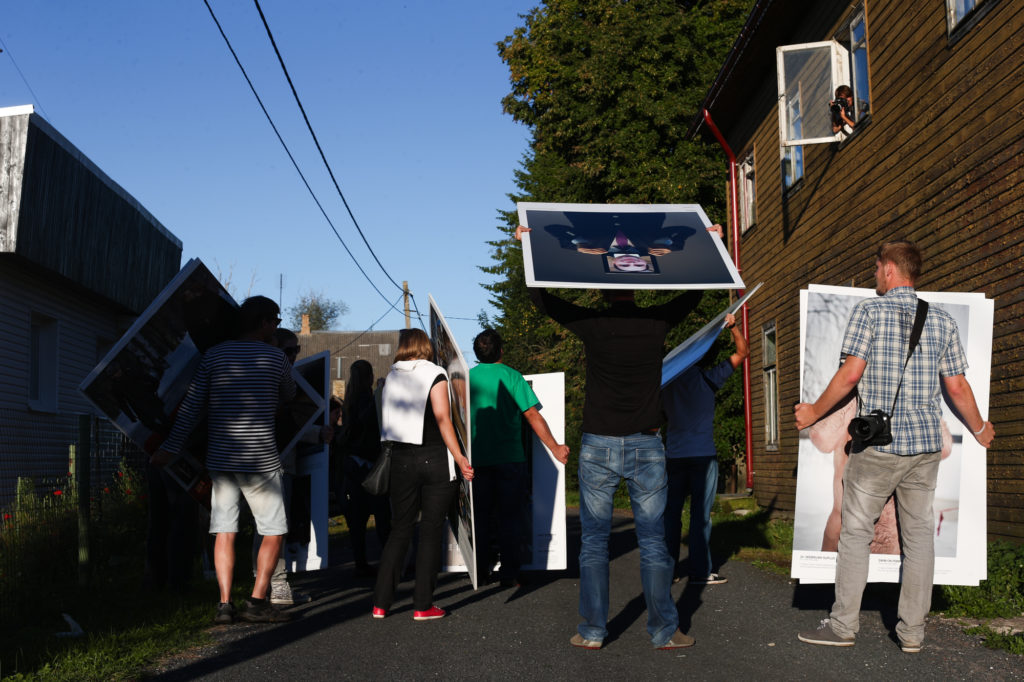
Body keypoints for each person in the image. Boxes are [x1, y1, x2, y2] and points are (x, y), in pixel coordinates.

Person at [517, 224, 717, 651]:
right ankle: (664, 631)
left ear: (602, 289)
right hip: (647, 446)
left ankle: (591, 632)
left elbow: (544, 300)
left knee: (593, 543)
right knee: (654, 542)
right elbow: (696, 291)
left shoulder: (592, 323)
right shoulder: (657, 321)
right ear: (638, 283)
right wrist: (707, 242)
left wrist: (528, 248)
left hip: (598, 446)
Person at [794, 241, 994, 653]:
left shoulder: (869, 311)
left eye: (876, 267)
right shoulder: (940, 321)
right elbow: (955, 386)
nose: (874, 274)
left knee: (855, 533)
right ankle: (912, 634)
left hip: (879, 448)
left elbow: (851, 375)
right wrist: (979, 427)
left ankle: (843, 626)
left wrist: (813, 410)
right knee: (920, 539)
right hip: (923, 448)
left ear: (888, 269)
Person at [154, 295, 296, 624]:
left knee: (224, 531)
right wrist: (274, 352)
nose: (276, 325)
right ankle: (257, 601)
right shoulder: (276, 358)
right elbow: (290, 394)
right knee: (274, 530)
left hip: (222, 457)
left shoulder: (214, 357)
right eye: (274, 320)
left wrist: (171, 447)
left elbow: (191, 407)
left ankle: (224, 605)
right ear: (262, 322)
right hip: (261, 459)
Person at [372, 328, 474, 621]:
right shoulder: (435, 373)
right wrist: (460, 457)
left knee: (399, 530)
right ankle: (422, 605)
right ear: (425, 346)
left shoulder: (391, 376)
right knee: (430, 531)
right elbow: (443, 419)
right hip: (433, 459)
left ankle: (380, 603)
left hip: (400, 461)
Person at [469, 328, 570, 588]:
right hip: (510, 460)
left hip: (476, 461)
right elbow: (532, 416)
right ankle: (509, 574)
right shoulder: (512, 376)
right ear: (501, 351)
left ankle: (479, 572)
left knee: (480, 517)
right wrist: (555, 447)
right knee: (510, 518)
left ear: (477, 354)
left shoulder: (466, 379)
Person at [662, 312, 748, 586]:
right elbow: (742, 353)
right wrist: (733, 328)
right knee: (700, 516)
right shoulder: (710, 379)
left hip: (674, 456)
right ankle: (700, 572)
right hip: (702, 457)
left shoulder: (666, 384)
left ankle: (668, 571)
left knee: (671, 515)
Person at [340, 359, 392, 577]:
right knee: (382, 514)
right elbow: (371, 422)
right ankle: (389, 560)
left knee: (358, 520)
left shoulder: (349, 400)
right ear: (369, 376)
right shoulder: (367, 399)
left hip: (353, 463)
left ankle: (360, 562)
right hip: (369, 462)